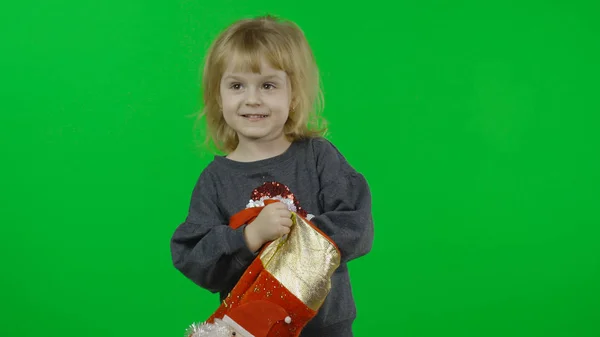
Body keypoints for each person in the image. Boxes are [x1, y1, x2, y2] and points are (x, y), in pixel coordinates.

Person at [170, 14, 374, 337]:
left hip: (327, 329)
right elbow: (193, 255)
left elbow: (357, 224)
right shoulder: (216, 181)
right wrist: (249, 237)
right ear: (218, 97)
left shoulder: (319, 157)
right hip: (253, 331)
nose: (252, 99)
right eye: (237, 85)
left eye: (268, 85)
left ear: (292, 95)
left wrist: (295, 237)